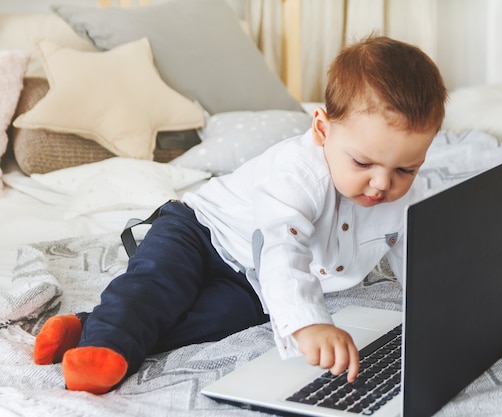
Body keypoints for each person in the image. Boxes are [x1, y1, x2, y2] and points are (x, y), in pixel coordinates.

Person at [32, 35, 447, 394]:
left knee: (216, 320)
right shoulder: (297, 172)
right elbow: (283, 246)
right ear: (323, 129)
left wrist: (438, 307)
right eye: (363, 164)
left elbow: (418, 252)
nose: (381, 184)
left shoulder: (403, 194)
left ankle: (87, 329)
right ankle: (105, 346)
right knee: (157, 285)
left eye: (405, 169)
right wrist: (308, 323)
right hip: (199, 230)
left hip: (250, 276)